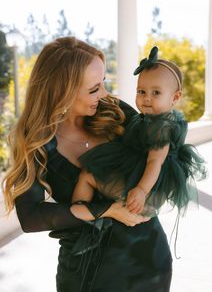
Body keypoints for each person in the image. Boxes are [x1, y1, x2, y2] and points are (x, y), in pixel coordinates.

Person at [2, 37, 173, 292]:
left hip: (149, 261)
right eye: (94, 89)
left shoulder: (116, 111)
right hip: (87, 275)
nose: (104, 94)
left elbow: (161, 155)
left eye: (102, 82)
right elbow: (31, 218)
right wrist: (109, 209)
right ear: (62, 92)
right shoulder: (35, 143)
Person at [73, 46, 207, 218]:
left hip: (144, 183)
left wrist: (142, 191)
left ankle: (78, 215)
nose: (147, 98)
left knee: (88, 175)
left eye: (156, 92)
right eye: (141, 91)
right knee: (90, 175)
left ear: (175, 97)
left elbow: (155, 162)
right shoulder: (144, 119)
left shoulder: (162, 127)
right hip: (136, 173)